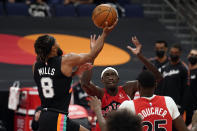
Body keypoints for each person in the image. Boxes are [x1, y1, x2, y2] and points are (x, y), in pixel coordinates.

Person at [32, 20, 117, 131]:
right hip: (58, 117)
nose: (58, 43)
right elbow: (91, 56)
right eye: (56, 42)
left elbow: (54, 81)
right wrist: (105, 33)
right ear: (53, 48)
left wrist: (74, 73)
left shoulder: (36, 66)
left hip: (46, 115)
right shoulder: (66, 61)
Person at [80, 36, 162, 130]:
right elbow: (85, 83)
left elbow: (155, 78)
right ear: (102, 80)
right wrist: (92, 55)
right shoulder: (100, 93)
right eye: (107, 75)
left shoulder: (127, 89)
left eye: (113, 75)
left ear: (118, 79)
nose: (110, 77)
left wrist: (140, 56)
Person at [119, 70, 189, 131]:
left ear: (138, 86)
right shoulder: (168, 101)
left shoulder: (128, 105)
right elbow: (183, 129)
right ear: (155, 85)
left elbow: (113, 126)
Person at [159, 44, 189, 115]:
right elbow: (161, 86)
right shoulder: (164, 68)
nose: (173, 54)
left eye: (176, 53)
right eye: (172, 53)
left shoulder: (183, 68)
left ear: (180, 53)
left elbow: (185, 89)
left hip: (177, 104)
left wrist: (182, 105)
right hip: (164, 102)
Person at [184, 49, 197, 125]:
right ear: (188, 55)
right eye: (191, 54)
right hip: (184, 107)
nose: (193, 57)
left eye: (195, 56)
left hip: (194, 108)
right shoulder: (184, 70)